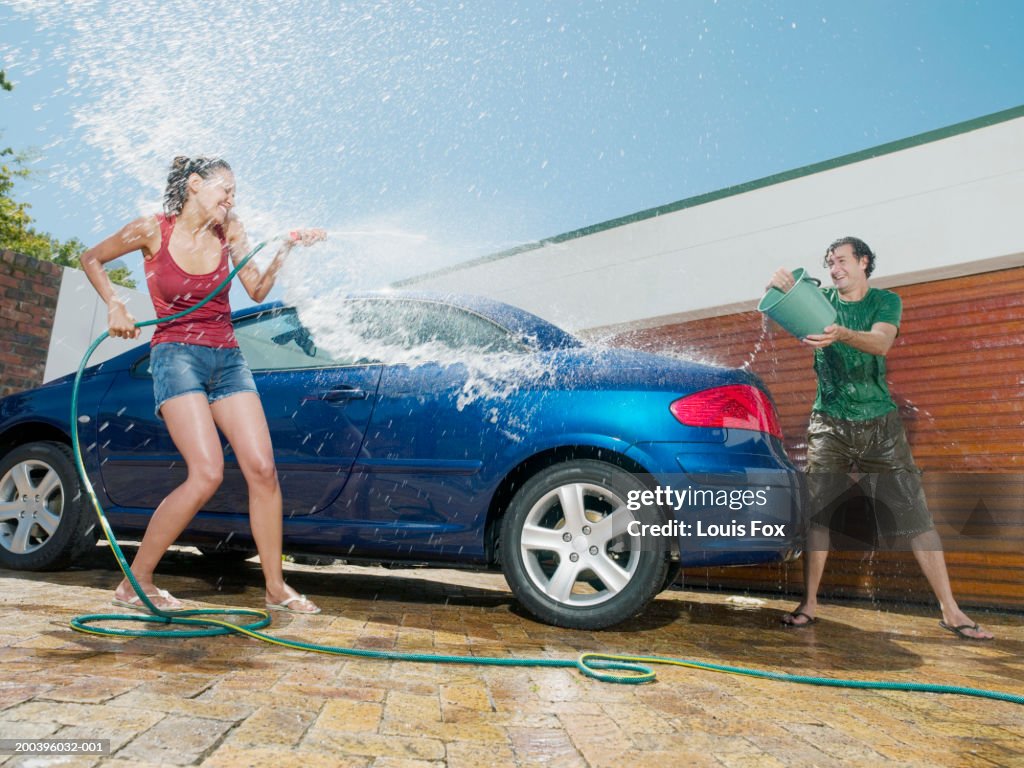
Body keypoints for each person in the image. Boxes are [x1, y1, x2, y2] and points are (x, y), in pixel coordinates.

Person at [80, 156, 325, 614]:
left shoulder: (230, 228)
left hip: (228, 360)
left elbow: (254, 289)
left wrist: (286, 247)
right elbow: (89, 257)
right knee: (208, 471)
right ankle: (137, 582)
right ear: (194, 185)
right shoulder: (152, 230)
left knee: (262, 469)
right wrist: (115, 303)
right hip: (176, 358)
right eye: (225, 189)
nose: (231, 199)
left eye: (234, 193)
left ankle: (275, 587)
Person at [767, 236, 993, 640]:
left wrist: (841, 335)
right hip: (829, 423)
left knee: (916, 516)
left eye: (841, 261)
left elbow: (881, 342)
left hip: (880, 425)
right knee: (819, 514)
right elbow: (785, 306)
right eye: (829, 263)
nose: (834, 268)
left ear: (863, 262)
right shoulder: (820, 304)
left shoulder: (885, 302)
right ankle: (810, 603)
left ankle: (951, 610)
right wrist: (782, 287)